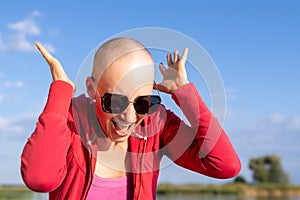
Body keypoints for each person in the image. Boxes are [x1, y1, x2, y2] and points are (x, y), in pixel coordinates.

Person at [21, 37, 241, 200]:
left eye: (143, 102)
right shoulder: (71, 121)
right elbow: (40, 179)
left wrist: (185, 93)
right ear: (91, 88)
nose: (129, 116)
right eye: (115, 102)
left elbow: (225, 166)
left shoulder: (156, 123)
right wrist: (61, 91)